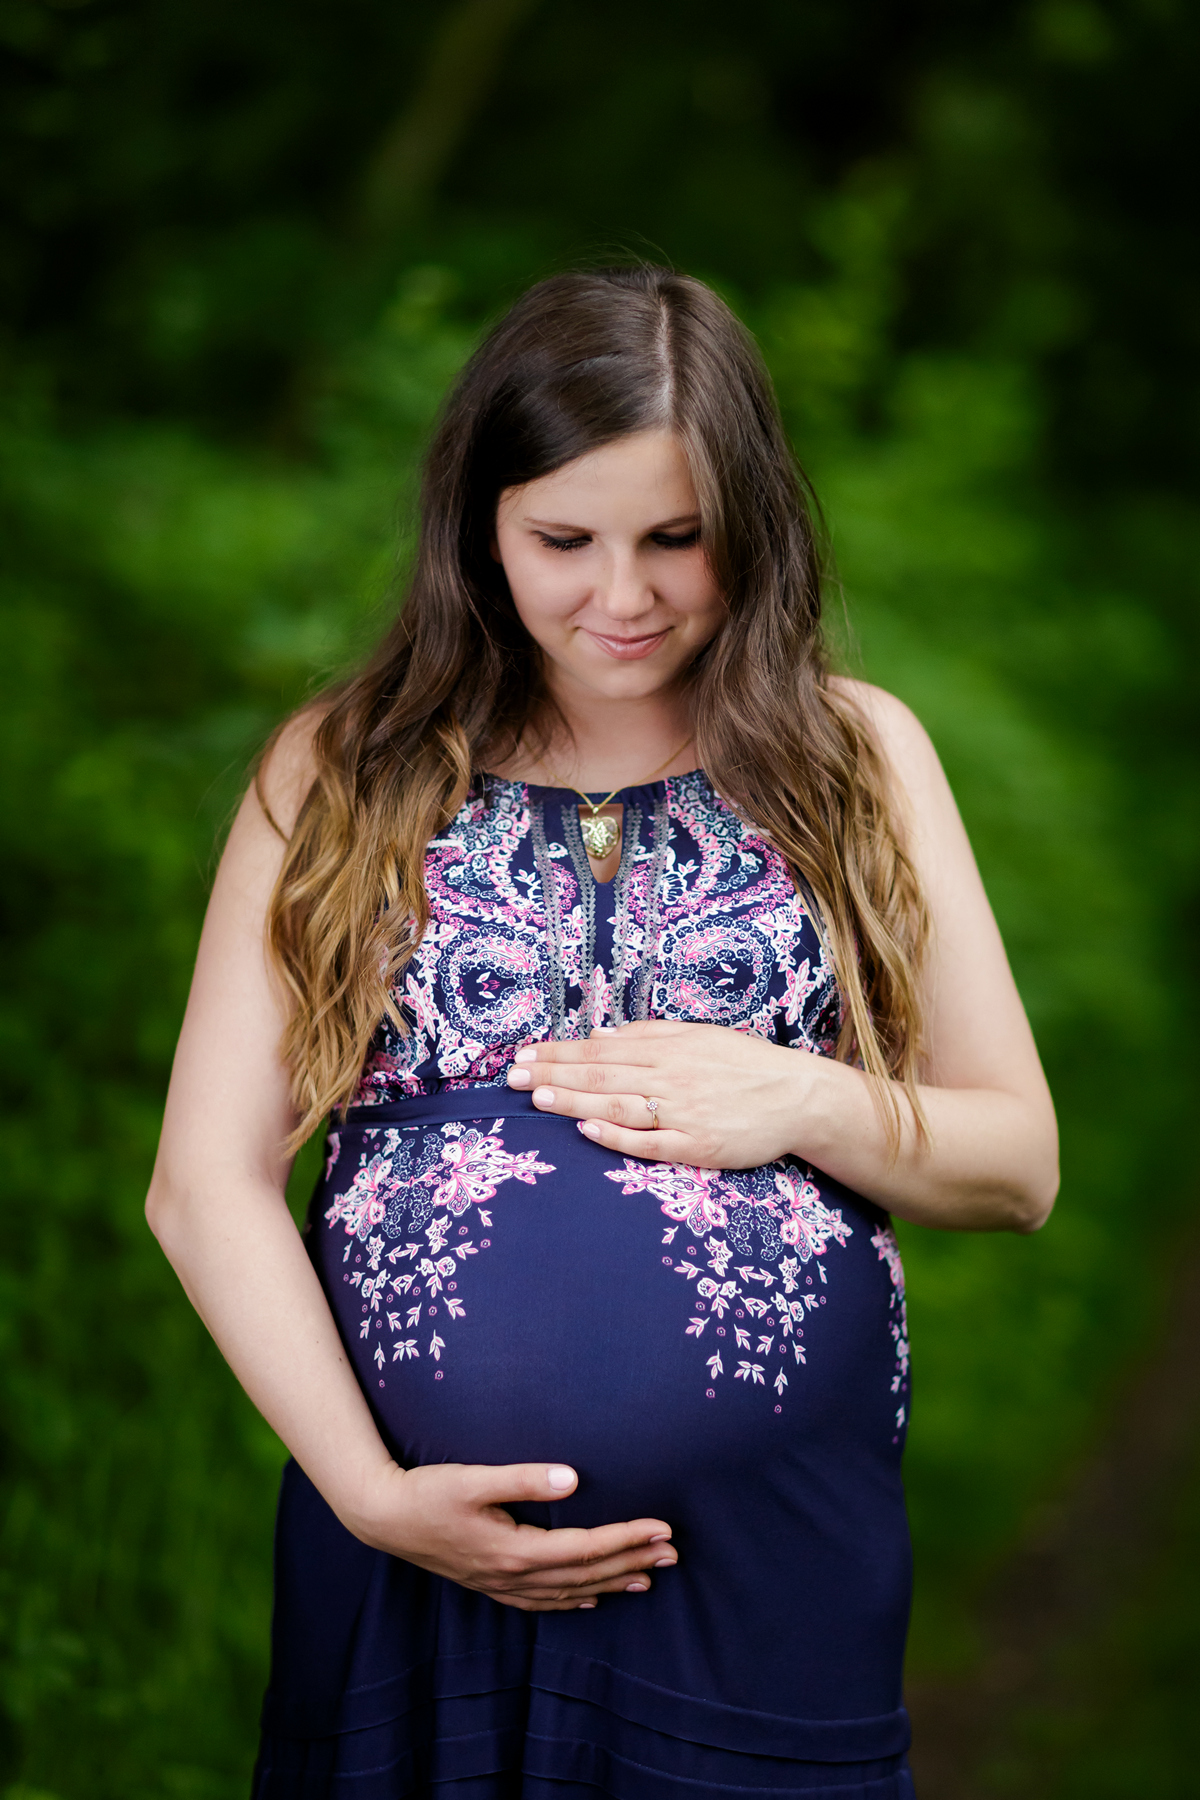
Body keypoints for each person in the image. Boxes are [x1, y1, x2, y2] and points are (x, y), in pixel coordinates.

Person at [146, 265, 1058, 1800]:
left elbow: (1019, 1161)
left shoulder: (855, 758)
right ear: (477, 527)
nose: (622, 597)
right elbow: (204, 1182)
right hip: (412, 1551)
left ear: (750, 528)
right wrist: (371, 1495)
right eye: (564, 539)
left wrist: (807, 1099)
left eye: (676, 539)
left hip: (767, 1575)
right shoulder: (345, 769)